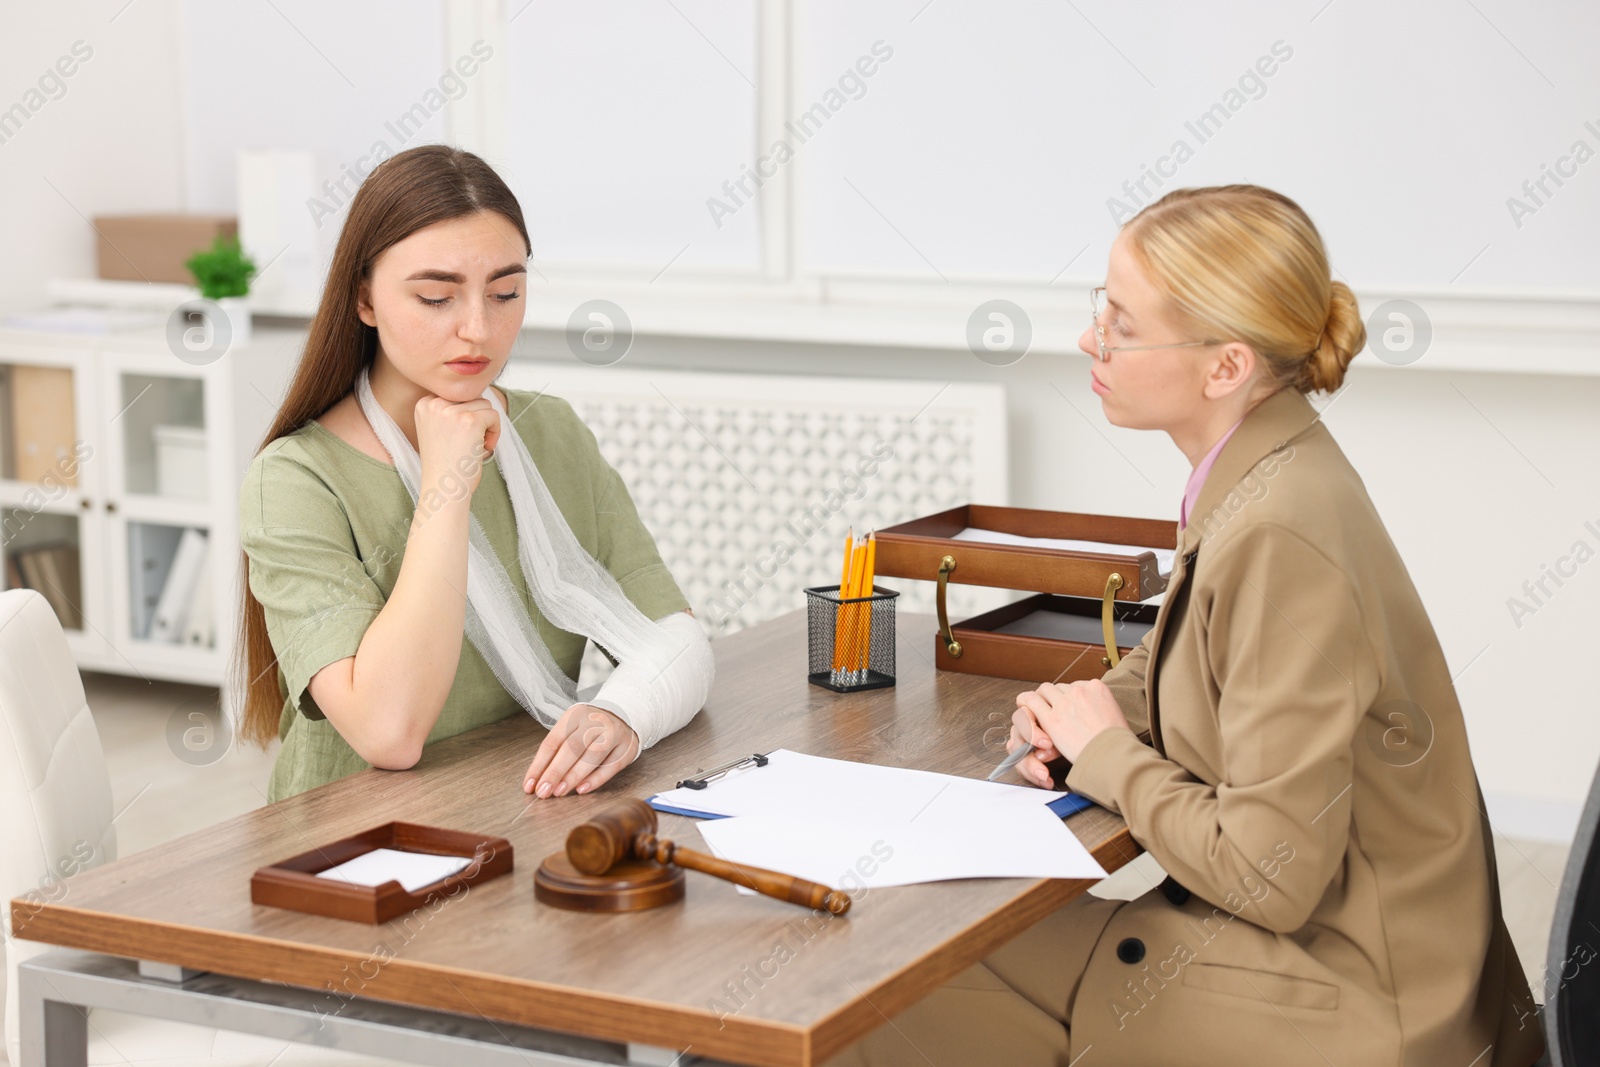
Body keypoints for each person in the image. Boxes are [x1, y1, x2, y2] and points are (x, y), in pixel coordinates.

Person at [826, 185, 1542, 1066]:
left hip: (1349, 1001)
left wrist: (1106, 755)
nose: (1091, 340)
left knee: (877, 982)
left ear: (1225, 366)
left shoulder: (1278, 527)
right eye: (1101, 310)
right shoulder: (1268, 468)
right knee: (917, 943)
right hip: (1364, 955)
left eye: (1121, 324)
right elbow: (1217, 657)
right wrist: (1095, 705)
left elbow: (1269, 875)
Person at [232, 144, 712, 803]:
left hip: (521, 807)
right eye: (436, 296)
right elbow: (389, 733)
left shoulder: (553, 433)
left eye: (506, 292)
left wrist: (625, 711)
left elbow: (676, 638)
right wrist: (447, 484)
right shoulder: (294, 480)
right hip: (352, 846)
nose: (478, 329)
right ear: (364, 299)